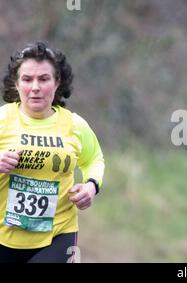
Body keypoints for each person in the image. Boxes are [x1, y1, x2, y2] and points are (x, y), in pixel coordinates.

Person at [0, 42, 105, 263]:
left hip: (58, 234)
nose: (35, 87)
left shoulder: (75, 125)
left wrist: (91, 185)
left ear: (57, 83)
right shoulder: (2, 120)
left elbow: (94, 159)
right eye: (27, 79)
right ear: (16, 84)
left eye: (44, 79)